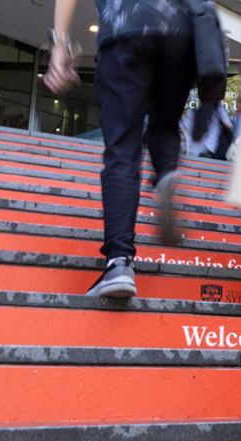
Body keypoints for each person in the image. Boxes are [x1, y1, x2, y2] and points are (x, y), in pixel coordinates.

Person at [45, 0, 203, 297]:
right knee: (165, 124)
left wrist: (59, 47)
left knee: (122, 148)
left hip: (124, 28)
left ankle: (119, 262)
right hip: (179, 32)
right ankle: (167, 171)